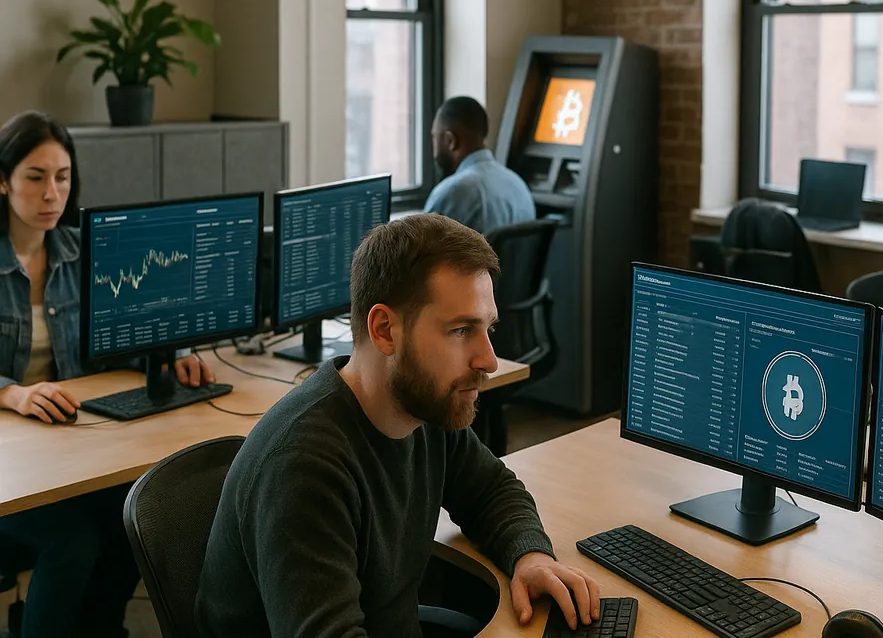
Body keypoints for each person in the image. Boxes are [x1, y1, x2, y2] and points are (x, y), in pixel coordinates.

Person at [196, 214, 599, 637]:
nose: (489, 360)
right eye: (461, 330)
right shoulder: (303, 467)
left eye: (488, 328)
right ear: (385, 331)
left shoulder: (424, 408)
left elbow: (491, 491)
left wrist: (530, 556)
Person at [0, 110, 214, 638]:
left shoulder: (84, 252)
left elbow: (127, 328)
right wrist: (13, 394)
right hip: (12, 467)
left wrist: (171, 353)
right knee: (71, 541)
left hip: (68, 450)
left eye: (62, 177)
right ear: (2, 181)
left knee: (136, 520)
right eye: (36, 177)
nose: (52, 193)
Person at [424, 96, 536, 234]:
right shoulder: (519, 185)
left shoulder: (451, 193)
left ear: (450, 141)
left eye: (435, 137)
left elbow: (422, 246)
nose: (434, 153)